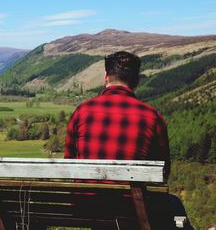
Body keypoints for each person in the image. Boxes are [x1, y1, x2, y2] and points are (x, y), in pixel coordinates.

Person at [64, 51, 192, 229]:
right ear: (136, 81)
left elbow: (69, 163)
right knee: (174, 203)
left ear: (106, 77)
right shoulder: (152, 116)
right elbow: (163, 171)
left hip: (88, 205)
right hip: (133, 207)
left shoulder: (82, 111)